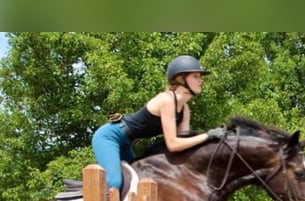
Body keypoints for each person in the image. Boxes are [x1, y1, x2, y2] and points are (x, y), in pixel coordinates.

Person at [91, 55, 225, 191]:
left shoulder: (185, 110)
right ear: (181, 79)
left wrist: (212, 142)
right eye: (195, 76)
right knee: (114, 183)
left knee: (135, 186)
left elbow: (184, 144)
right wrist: (207, 136)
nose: (200, 81)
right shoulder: (166, 100)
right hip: (109, 137)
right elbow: (173, 144)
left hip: (126, 142)